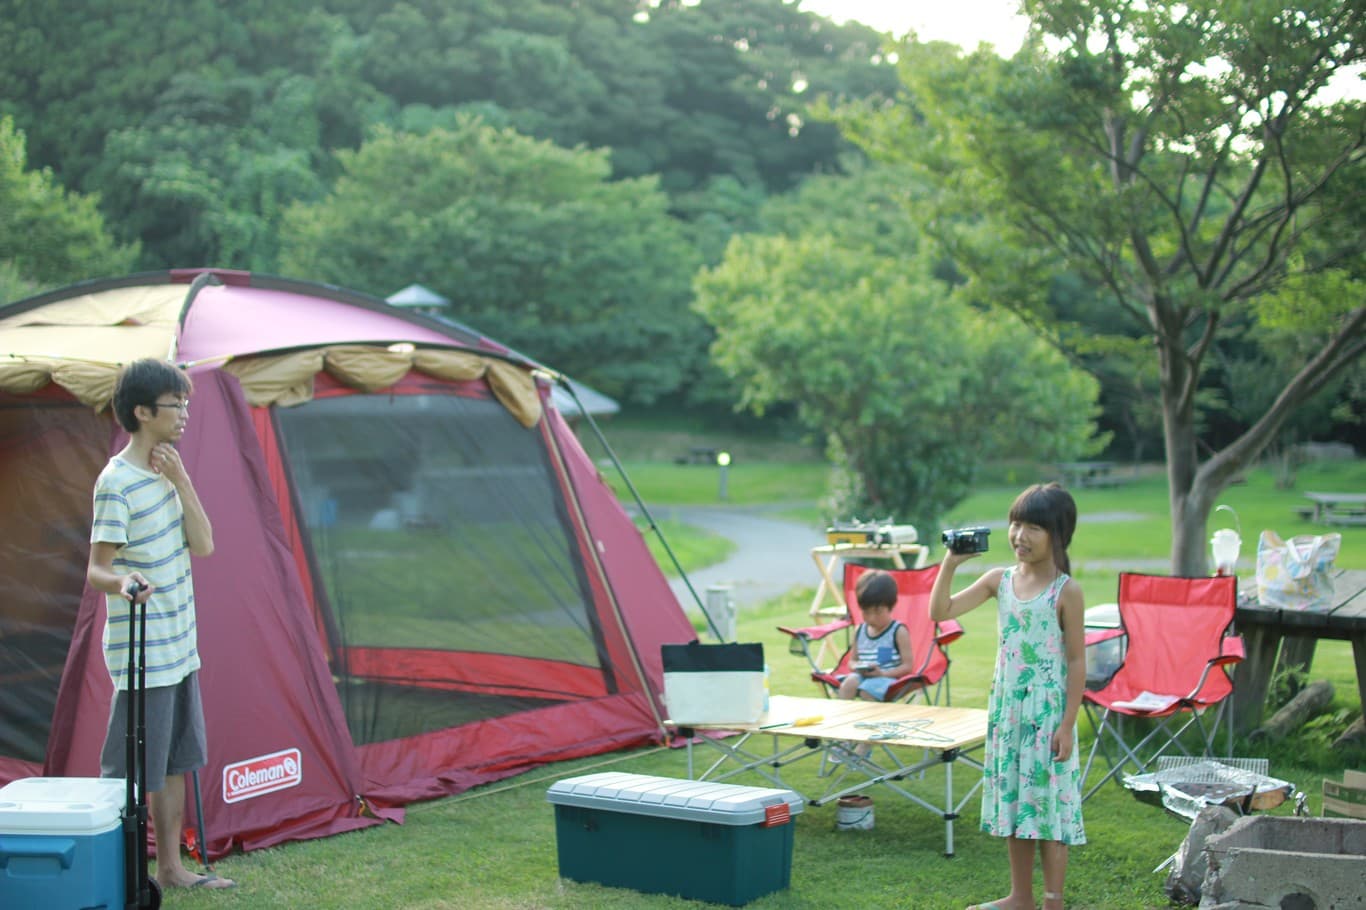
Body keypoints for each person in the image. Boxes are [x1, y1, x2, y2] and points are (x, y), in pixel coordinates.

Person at [85, 358, 235, 891]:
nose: (186, 414)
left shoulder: (167, 472)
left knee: (174, 764)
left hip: (179, 648)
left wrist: (181, 478)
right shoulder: (116, 482)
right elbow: (97, 567)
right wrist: (124, 582)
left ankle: (170, 870)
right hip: (141, 652)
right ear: (143, 411)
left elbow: (206, 544)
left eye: (186, 403)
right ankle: (120, 874)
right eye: (177, 404)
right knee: (130, 775)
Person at [929, 483, 1085, 910]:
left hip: (1049, 715)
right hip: (1009, 711)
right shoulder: (999, 581)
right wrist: (950, 561)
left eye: (1034, 527)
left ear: (1058, 534)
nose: (1020, 535)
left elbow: (1076, 662)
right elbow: (939, 611)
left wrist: (1068, 724)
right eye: (1016, 524)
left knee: (1048, 810)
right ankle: (1020, 897)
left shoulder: (1065, 591)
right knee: (1017, 804)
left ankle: (1053, 900)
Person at [836, 569, 915, 702]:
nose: (872, 618)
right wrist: (858, 667)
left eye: (878, 612)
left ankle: (872, 722)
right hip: (864, 676)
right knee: (848, 684)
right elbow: (852, 661)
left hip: (888, 679)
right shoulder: (860, 630)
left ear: (891, 607)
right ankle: (844, 718)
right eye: (866, 612)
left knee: (867, 690)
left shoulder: (898, 631)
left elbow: (908, 666)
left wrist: (882, 673)